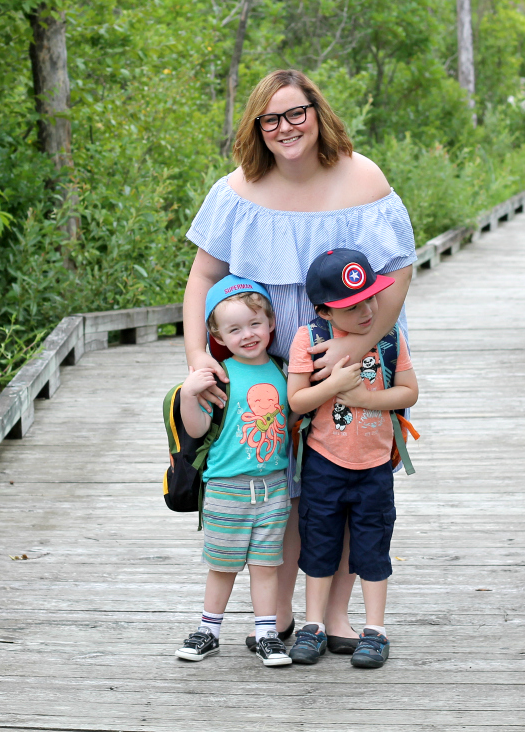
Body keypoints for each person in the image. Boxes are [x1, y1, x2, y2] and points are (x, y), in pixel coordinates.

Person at [183, 69, 417, 653]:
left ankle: (336, 615)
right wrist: (197, 359)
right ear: (256, 128)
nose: (285, 128)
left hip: (351, 357)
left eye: (296, 113)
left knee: (342, 483)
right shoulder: (235, 191)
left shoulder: (362, 177)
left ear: (317, 112)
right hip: (269, 366)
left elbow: (400, 268)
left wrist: (357, 348)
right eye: (271, 119)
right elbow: (201, 280)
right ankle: (282, 617)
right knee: (282, 488)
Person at [285, 249, 418, 669]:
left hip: (375, 465)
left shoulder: (389, 336)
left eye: (371, 298)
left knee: (373, 547)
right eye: (352, 305)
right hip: (325, 464)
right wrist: (334, 385)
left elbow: (409, 392)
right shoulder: (308, 339)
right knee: (319, 543)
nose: (367, 310)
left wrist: (364, 398)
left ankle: (375, 630)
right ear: (324, 309)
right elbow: (297, 400)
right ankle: (313, 626)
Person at [173, 276, 293, 667]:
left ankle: (266, 634)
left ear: (271, 323)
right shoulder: (219, 374)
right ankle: (209, 631)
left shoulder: (284, 370)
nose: (247, 335)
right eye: (234, 329)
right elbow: (196, 429)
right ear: (217, 334)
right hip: (227, 486)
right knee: (223, 565)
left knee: (265, 565)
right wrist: (190, 394)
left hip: (274, 485)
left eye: (255, 324)